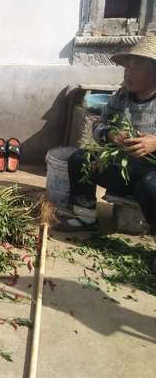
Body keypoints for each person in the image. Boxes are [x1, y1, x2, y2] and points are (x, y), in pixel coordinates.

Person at [57, 35, 156, 270]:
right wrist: (111, 135)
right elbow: (98, 125)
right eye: (127, 67)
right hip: (122, 167)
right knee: (80, 159)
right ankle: (85, 217)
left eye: (135, 67)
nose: (127, 73)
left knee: (151, 185)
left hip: (151, 173)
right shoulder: (121, 96)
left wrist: (154, 143)